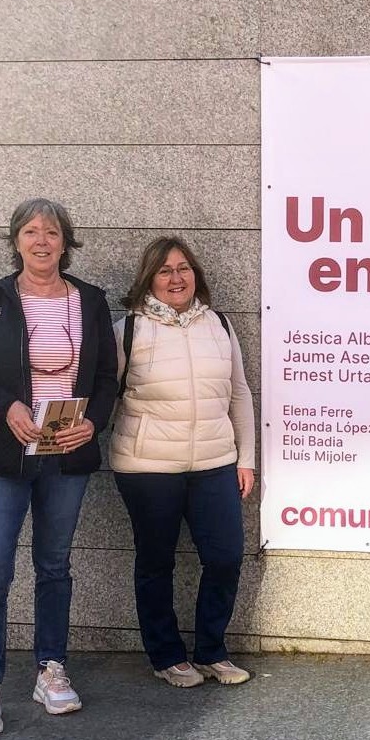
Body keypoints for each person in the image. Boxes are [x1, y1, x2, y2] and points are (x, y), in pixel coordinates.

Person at [0, 198, 118, 735]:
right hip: (4, 456)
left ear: (67, 242)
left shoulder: (90, 301)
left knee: (55, 567)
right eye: (31, 231)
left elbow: (108, 378)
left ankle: (50, 669)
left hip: (67, 454)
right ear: (16, 240)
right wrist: (8, 407)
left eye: (53, 232)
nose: (42, 240)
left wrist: (96, 421)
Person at [110, 236, 256, 688]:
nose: (177, 278)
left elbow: (239, 392)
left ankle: (212, 650)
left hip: (214, 461)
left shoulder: (219, 325)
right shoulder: (127, 330)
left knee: (227, 557)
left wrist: (245, 458)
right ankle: (167, 654)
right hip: (148, 466)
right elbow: (104, 395)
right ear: (148, 279)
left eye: (184, 268)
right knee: (156, 562)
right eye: (165, 270)